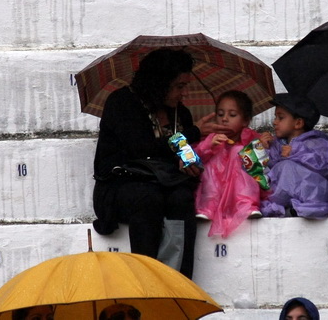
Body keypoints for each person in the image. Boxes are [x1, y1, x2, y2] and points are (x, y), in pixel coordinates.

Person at [92, 49, 229, 279]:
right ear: (158, 83)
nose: (182, 93)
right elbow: (141, 147)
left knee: (182, 197)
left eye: (185, 86)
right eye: (178, 86)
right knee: (148, 198)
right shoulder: (122, 102)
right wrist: (193, 132)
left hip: (165, 183)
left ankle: (177, 281)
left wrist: (188, 163)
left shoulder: (180, 114)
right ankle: (147, 279)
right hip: (122, 185)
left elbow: (182, 153)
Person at [259, 93, 328, 218]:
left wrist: (295, 152)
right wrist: (264, 149)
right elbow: (269, 170)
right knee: (281, 168)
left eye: (280, 118)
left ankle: (299, 207)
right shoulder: (276, 144)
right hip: (285, 196)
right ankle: (288, 208)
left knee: (286, 166)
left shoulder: (317, 142)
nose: (275, 122)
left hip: (315, 197)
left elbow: (325, 167)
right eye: (275, 117)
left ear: (298, 123)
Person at [194, 90, 264, 238]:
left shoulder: (252, 138)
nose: (225, 119)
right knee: (214, 158)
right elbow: (195, 160)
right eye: (220, 114)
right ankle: (208, 207)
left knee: (241, 151)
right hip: (215, 194)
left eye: (232, 115)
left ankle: (247, 204)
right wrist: (208, 146)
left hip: (240, 196)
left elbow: (263, 167)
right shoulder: (211, 138)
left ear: (245, 120)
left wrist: (263, 145)